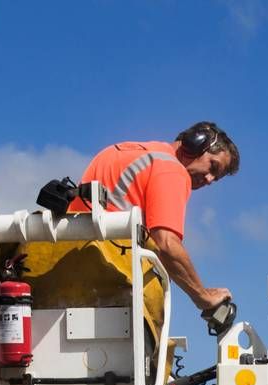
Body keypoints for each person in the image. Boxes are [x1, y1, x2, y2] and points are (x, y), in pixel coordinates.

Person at [64, 122, 240, 314]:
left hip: (66, 268)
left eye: (216, 178)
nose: (209, 180)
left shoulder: (120, 152)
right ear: (196, 143)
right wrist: (203, 296)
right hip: (110, 285)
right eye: (212, 167)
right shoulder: (172, 169)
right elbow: (167, 244)